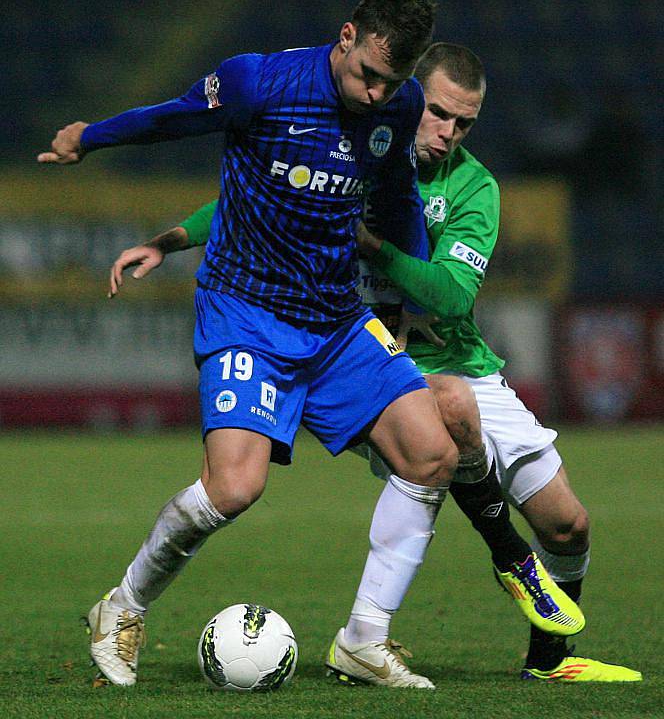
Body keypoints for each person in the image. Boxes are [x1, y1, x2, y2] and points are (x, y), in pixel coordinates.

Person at [125, 42, 641, 684]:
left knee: (568, 526)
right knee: (446, 411)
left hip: (459, 358)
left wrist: (376, 247)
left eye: (465, 124)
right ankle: (485, 567)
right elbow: (247, 205)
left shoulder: (473, 187)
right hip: (375, 362)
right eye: (439, 114)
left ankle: (550, 659)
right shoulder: (356, 146)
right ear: (409, 98)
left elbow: (453, 295)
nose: (448, 134)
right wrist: (169, 240)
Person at [38, 0, 459, 690]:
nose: (376, 96)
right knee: (234, 488)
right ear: (345, 36)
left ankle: (363, 640)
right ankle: (123, 606)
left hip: (334, 316)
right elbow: (171, 117)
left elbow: (395, 201)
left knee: (430, 452)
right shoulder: (259, 82)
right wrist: (91, 137)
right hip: (246, 310)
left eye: (393, 85)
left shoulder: (400, 105)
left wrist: (405, 288)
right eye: (367, 77)